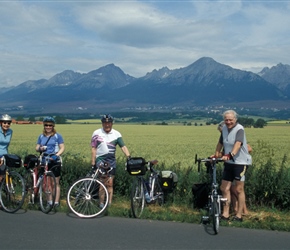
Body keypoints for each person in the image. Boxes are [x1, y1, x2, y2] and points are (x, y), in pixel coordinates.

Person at [213, 110, 252, 222]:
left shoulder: (240, 129)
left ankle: (239, 215)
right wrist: (215, 155)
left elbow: (238, 144)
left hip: (240, 162)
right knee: (224, 188)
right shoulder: (224, 129)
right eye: (226, 120)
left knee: (239, 189)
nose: (228, 122)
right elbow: (220, 143)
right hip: (229, 163)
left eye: (230, 120)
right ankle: (225, 213)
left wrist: (230, 155)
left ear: (235, 119)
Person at [91, 114, 130, 207]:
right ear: (102, 123)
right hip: (101, 160)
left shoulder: (116, 134)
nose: (107, 125)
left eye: (109, 123)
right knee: (102, 181)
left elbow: (123, 146)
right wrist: (93, 163)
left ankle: (109, 204)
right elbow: (93, 149)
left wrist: (128, 156)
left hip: (111, 161)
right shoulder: (96, 133)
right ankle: (101, 203)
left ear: (112, 123)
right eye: (105, 123)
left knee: (110, 183)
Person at [36, 116, 65, 208]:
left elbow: (62, 147)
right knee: (47, 183)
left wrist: (56, 155)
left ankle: (56, 202)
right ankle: (49, 201)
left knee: (55, 182)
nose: (48, 127)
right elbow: (36, 148)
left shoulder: (57, 136)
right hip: (45, 161)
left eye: (50, 125)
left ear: (53, 126)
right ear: (44, 126)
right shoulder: (41, 136)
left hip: (54, 161)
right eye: (46, 125)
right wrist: (40, 148)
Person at [0, 114, 13, 182]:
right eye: (4, 122)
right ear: (1, 123)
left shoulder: (10, 132)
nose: (6, 124)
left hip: (4, 155)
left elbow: (7, 145)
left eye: (8, 123)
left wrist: (4, 156)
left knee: (2, 175)